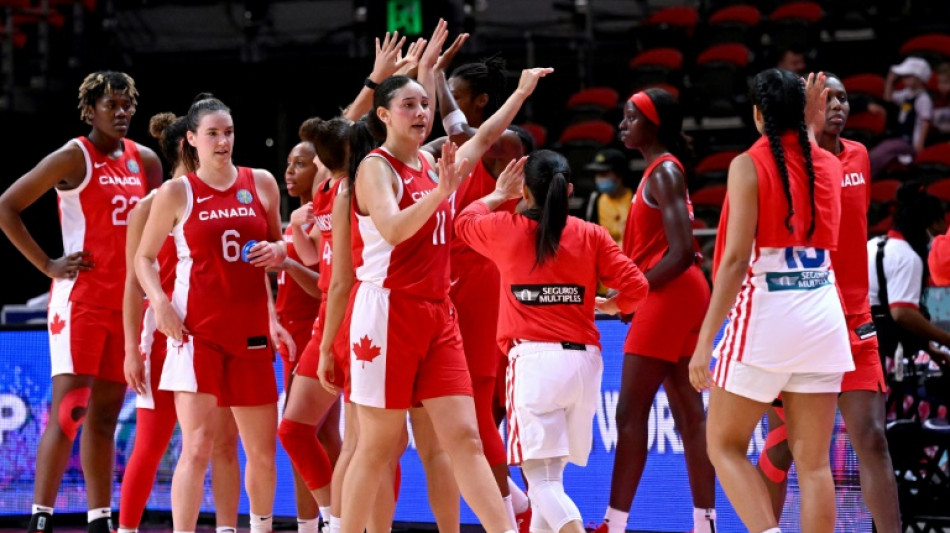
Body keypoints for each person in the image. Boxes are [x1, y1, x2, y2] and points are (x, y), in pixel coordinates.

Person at [337, 16, 552, 533]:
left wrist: (521, 93)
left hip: (439, 314)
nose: (421, 112)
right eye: (408, 104)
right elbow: (391, 229)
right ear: (384, 114)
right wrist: (440, 194)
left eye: (424, 103)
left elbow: (485, 137)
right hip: (386, 311)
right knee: (378, 445)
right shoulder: (376, 167)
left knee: (466, 439)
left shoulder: (436, 164)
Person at [689, 69, 853, 533]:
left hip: (768, 311)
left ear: (758, 114)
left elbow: (737, 258)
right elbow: (806, 165)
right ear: (804, 113)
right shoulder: (829, 163)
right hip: (822, 310)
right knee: (814, 463)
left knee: (722, 445)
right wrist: (813, 128)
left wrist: (706, 340)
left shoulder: (748, 164)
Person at [0, 71, 162, 533]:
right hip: (81, 302)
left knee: (107, 413)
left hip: (127, 303)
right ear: (89, 110)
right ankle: (41, 517)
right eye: (111, 104)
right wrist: (48, 264)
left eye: (127, 104)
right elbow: (6, 206)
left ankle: (98, 517)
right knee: (71, 407)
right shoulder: (74, 156)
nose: (122, 112)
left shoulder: (145, 161)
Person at [455, 150, 649, 533]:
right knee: (551, 480)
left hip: (535, 364)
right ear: (570, 190)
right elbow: (638, 288)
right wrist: (611, 306)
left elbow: (462, 221)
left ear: (525, 191)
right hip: (585, 365)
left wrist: (497, 193)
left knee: (541, 483)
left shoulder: (503, 228)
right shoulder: (590, 234)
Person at [753, 74, 901, 533]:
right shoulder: (783, 162)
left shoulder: (857, 156)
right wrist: (809, 133)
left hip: (855, 320)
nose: (837, 105)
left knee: (872, 440)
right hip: (801, 321)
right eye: (826, 98)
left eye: (843, 98)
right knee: (783, 448)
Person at [134, 94, 287, 533]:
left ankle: (259, 528)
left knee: (260, 450)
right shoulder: (176, 191)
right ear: (192, 139)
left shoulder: (261, 182)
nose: (223, 142)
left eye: (229, 132)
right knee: (197, 446)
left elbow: (279, 246)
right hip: (196, 333)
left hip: (252, 333)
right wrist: (161, 304)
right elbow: (143, 259)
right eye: (213, 134)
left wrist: (277, 251)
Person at [594, 88, 717, 533]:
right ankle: (705, 523)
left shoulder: (664, 173)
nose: (623, 124)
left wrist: (633, 293)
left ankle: (613, 523)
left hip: (670, 294)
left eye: (631, 117)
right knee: (689, 415)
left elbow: (683, 250)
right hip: (680, 294)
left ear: (654, 124)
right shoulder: (661, 171)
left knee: (629, 413)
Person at [427, 41, 534, 531]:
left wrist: (434, 74)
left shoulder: (505, 143)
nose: (441, 102)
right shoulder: (451, 152)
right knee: (464, 417)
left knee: (476, 409)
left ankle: (522, 510)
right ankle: (514, 505)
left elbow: (460, 130)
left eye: (454, 94)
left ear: (481, 102)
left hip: (483, 282)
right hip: (449, 284)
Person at [118, 113, 241, 533]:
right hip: (161, 333)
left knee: (222, 442)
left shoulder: (226, 193)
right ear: (189, 147)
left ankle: (227, 526)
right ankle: (128, 529)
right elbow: (133, 284)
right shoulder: (153, 205)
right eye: (209, 137)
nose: (219, 146)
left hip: (211, 332)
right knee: (152, 444)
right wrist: (132, 350)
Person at [272, 132, 339, 533]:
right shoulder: (300, 216)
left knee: (301, 432)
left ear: (319, 167)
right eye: (289, 163)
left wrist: (286, 262)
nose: (289, 170)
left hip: (314, 331)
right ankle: (316, 522)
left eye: (300, 163)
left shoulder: (318, 215)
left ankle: (325, 520)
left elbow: (321, 282)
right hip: (292, 333)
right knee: (319, 433)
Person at [868, 181, 950, 410]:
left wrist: (929, 349)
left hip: (857, 339)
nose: (940, 234)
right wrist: (945, 340)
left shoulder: (874, 244)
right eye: (938, 228)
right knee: (873, 427)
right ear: (927, 225)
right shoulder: (907, 257)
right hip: (872, 350)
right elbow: (902, 314)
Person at [869, 56, 934, 179]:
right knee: (878, 153)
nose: (903, 79)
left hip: (910, 142)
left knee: (878, 154)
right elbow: (888, 98)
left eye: (907, 76)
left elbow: (926, 122)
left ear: (919, 78)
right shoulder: (907, 93)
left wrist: (920, 146)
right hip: (900, 138)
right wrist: (890, 81)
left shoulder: (923, 99)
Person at [583, 148, 634, 246]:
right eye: (597, 174)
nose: (599, 179)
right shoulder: (593, 201)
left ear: (619, 174)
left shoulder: (636, 198)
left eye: (604, 174)